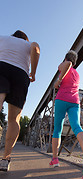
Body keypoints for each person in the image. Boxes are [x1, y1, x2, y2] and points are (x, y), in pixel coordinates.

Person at [50, 50, 83, 179]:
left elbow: (67, 64)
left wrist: (58, 81)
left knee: (57, 129)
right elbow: (70, 65)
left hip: (62, 100)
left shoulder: (65, 63)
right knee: (77, 127)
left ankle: (54, 159)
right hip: (75, 102)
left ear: (65, 58)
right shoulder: (77, 74)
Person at [0, 30, 40, 171]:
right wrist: (33, 74)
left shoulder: (3, 38)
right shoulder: (28, 44)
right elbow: (36, 49)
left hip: (1, 67)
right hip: (21, 74)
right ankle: (5, 158)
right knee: (14, 119)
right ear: (25, 39)